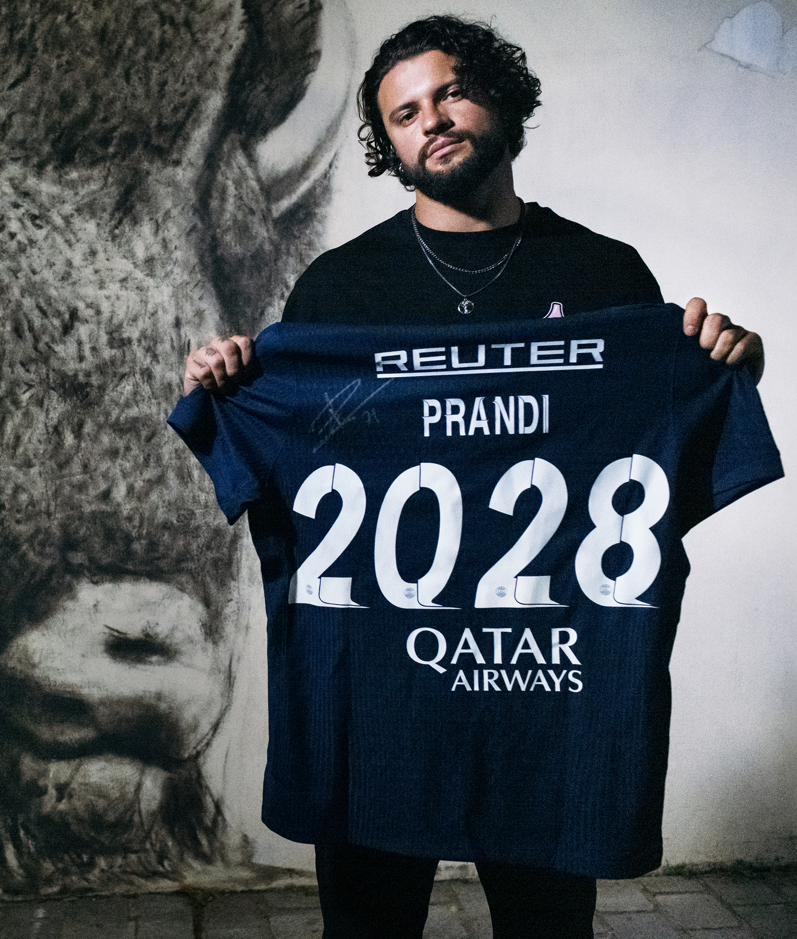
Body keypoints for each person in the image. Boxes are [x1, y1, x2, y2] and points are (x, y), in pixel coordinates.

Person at [180, 15, 767, 939]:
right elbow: (294, 465)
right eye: (405, 113)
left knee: (547, 924)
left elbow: (655, 465)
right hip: (381, 686)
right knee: (368, 926)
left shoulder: (606, 274)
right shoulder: (337, 291)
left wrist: (725, 370)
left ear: (498, 98)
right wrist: (232, 392)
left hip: (547, 687)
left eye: (450, 91)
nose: (433, 119)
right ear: (391, 145)